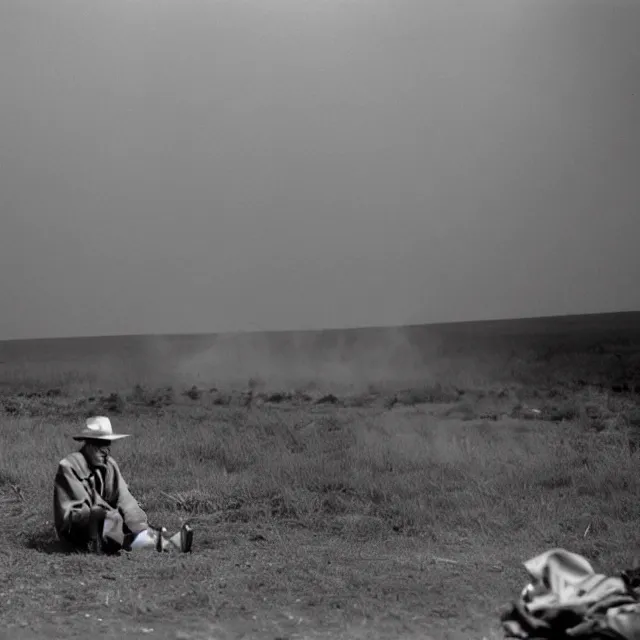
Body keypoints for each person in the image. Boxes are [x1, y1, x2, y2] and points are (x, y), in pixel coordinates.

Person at [53, 416, 193, 554]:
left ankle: (158, 541)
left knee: (127, 521)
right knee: (111, 521)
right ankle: (161, 544)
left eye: (108, 444)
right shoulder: (69, 466)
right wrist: (103, 514)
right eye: (100, 444)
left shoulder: (110, 465)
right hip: (77, 532)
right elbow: (74, 515)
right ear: (88, 444)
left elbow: (126, 500)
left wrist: (139, 525)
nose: (106, 450)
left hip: (108, 523)